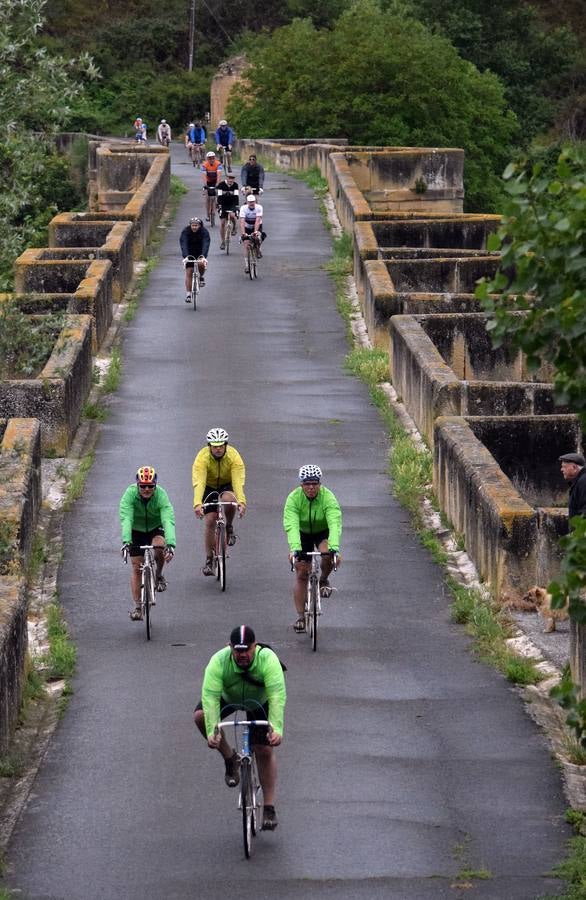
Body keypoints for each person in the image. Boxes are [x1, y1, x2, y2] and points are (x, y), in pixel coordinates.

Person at [194, 625, 285, 831]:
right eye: (238, 650)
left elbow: (277, 697)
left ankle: (269, 807)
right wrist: (212, 732)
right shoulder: (218, 662)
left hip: (260, 702)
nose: (242, 654)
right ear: (230, 647)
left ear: (255, 646)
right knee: (200, 716)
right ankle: (230, 757)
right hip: (229, 698)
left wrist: (276, 729)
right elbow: (209, 699)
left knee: (264, 748)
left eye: (247, 650)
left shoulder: (268, 660)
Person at [283, 464, 342, 633]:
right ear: (301, 484)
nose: (311, 487)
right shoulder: (293, 499)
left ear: (320, 484)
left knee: (328, 555)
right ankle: (301, 617)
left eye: (315, 484)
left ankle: (323, 579)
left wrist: (335, 548)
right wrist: (295, 549)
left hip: (323, 532)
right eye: (307, 484)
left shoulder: (328, 498)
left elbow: (334, 522)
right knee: (301, 573)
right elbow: (291, 525)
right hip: (301, 534)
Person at [119, 466, 176, 621]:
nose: (146, 489)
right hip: (135, 530)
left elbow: (167, 520)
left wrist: (170, 544)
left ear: (155, 485)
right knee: (137, 568)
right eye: (143, 486)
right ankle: (138, 607)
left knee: (159, 546)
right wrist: (126, 542)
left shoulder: (161, 495)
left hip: (155, 527)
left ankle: (158, 575)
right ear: (137, 485)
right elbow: (126, 519)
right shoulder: (129, 495)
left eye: (150, 486)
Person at [192, 427, 246, 576]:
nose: (218, 449)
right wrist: (197, 504)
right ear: (209, 446)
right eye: (214, 447)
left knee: (229, 500)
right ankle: (209, 559)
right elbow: (199, 482)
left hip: (227, 484)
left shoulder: (234, 457)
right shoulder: (202, 458)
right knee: (210, 520)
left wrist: (241, 502)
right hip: (208, 486)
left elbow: (238, 482)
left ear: (225, 445)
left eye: (221, 446)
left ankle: (228, 526)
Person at [180, 216, 210, 299]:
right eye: (192, 225)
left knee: (201, 264)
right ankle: (188, 294)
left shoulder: (204, 232)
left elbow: (206, 244)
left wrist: (203, 256)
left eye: (196, 225)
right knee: (189, 271)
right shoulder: (185, 232)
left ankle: (201, 277)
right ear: (190, 225)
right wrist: (186, 256)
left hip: (200, 252)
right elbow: (184, 244)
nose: (194, 227)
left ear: (199, 226)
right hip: (189, 252)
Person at [239, 193, 265, 273]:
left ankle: (258, 249)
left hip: (257, 225)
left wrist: (255, 232)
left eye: (253, 202)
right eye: (250, 202)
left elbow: (257, 220)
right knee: (246, 244)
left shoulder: (259, 207)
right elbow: (242, 221)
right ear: (247, 202)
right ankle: (247, 265)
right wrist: (243, 233)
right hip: (247, 226)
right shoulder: (243, 208)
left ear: (255, 202)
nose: (251, 203)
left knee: (256, 237)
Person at [216, 171, 240, 249]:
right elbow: (219, 196)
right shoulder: (221, 185)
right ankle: (223, 242)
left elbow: (236, 197)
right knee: (222, 223)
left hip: (232, 204)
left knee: (233, 215)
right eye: (230, 178)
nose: (231, 180)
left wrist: (236, 206)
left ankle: (234, 227)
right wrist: (219, 206)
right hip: (223, 204)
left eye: (232, 178)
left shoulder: (235, 185)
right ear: (227, 178)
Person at [560, 453, 586, 521]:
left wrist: (579, 531)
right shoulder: (580, 481)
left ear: (574, 467)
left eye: (564, 467)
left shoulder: (583, 481)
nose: (561, 469)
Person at [201, 150, 223, 221]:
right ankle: (207, 215)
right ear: (207, 159)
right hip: (208, 181)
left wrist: (218, 184)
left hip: (215, 181)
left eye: (213, 158)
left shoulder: (218, 164)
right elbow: (204, 175)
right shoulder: (204, 165)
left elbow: (219, 175)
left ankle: (217, 204)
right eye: (210, 158)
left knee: (217, 193)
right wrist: (205, 185)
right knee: (207, 197)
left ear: (215, 158)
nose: (212, 160)